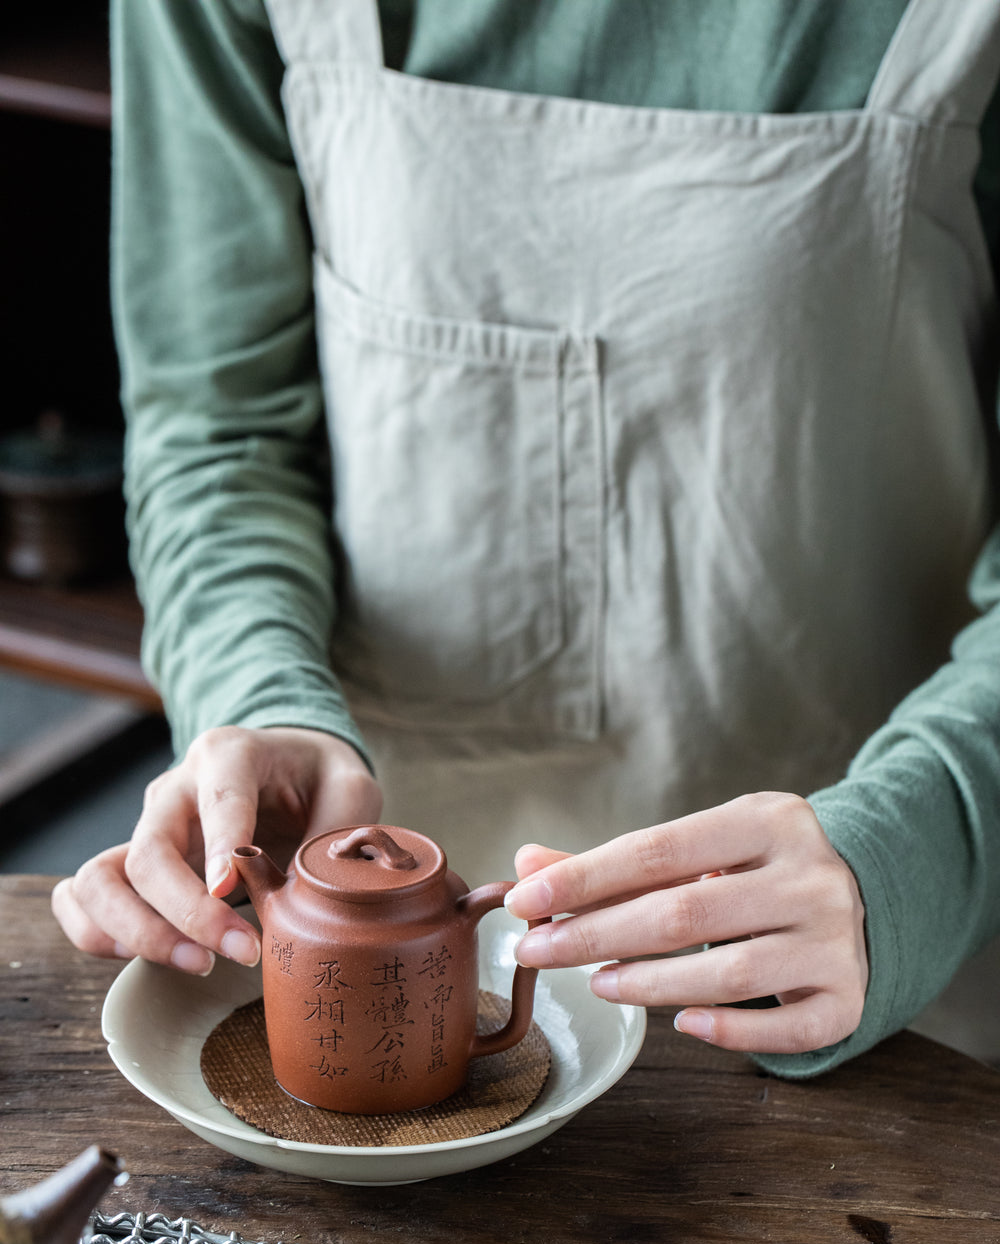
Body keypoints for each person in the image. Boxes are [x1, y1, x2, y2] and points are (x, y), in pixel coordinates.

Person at [53, 0, 1000, 1077]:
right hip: (391, 968)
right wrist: (260, 693)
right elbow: (220, 426)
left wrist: (919, 851)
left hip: (869, 972)